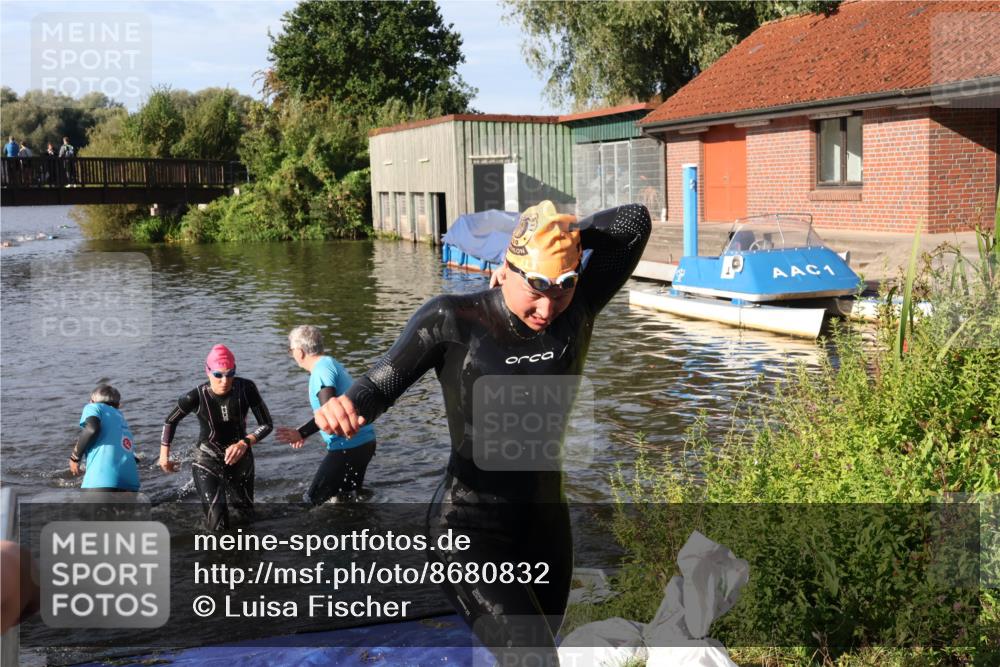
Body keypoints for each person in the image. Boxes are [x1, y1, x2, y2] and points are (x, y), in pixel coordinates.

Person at [314, 200, 651, 664]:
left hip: (543, 524)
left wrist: (565, 235)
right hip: (467, 528)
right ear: (507, 268)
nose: (548, 305)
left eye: (564, 287)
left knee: (537, 651)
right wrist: (348, 406)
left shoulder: (580, 308)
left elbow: (634, 222)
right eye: (536, 286)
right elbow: (381, 383)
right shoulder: (454, 318)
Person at [160, 344, 273, 531]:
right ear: (208, 372)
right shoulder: (195, 396)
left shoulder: (246, 388)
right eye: (218, 375)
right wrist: (164, 456)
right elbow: (170, 421)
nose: (225, 380)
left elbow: (267, 424)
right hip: (206, 459)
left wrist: (245, 442)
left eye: (230, 373)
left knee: (247, 518)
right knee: (218, 525)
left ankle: (247, 558)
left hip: (240, 457)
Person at [275, 325, 377, 505]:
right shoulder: (329, 363)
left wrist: (302, 433)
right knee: (348, 501)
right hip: (364, 442)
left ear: (299, 352)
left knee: (310, 502)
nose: (292, 355)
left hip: (348, 447)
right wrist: (302, 431)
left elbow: (330, 411)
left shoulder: (321, 370)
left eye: (291, 351)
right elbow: (331, 410)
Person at [69, 384, 140, 492]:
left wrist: (75, 457)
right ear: (118, 405)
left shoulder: (93, 407)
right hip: (132, 485)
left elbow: (91, 429)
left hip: (102, 482)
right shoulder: (121, 418)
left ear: (92, 401)